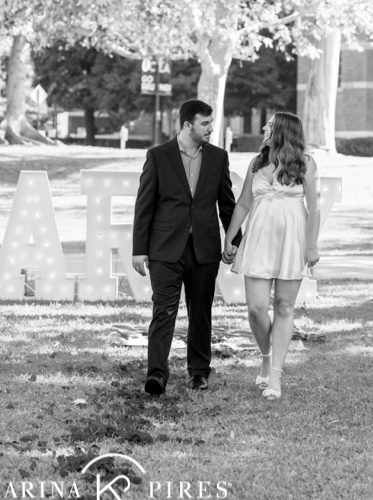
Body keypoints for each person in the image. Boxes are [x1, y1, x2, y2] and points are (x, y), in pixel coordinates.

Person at [132, 99, 237, 395]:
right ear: (188, 125)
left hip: (204, 249)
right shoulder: (158, 156)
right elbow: (144, 206)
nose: (211, 129)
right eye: (205, 124)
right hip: (165, 249)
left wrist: (233, 240)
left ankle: (199, 373)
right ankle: (156, 375)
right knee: (163, 311)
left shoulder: (218, 157)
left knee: (200, 312)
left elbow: (227, 205)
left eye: (211, 123)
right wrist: (139, 248)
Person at [222, 112, 321, 400]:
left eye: (270, 125)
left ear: (283, 131)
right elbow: (242, 203)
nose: (265, 128)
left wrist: (311, 246)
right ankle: (266, 356)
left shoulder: (306, 163)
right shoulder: (257, 163)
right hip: (258, 239)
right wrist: (229, 237)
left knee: (284, 306)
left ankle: (275, 376)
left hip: (293, 240)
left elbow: (313, 208)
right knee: (255, 308)